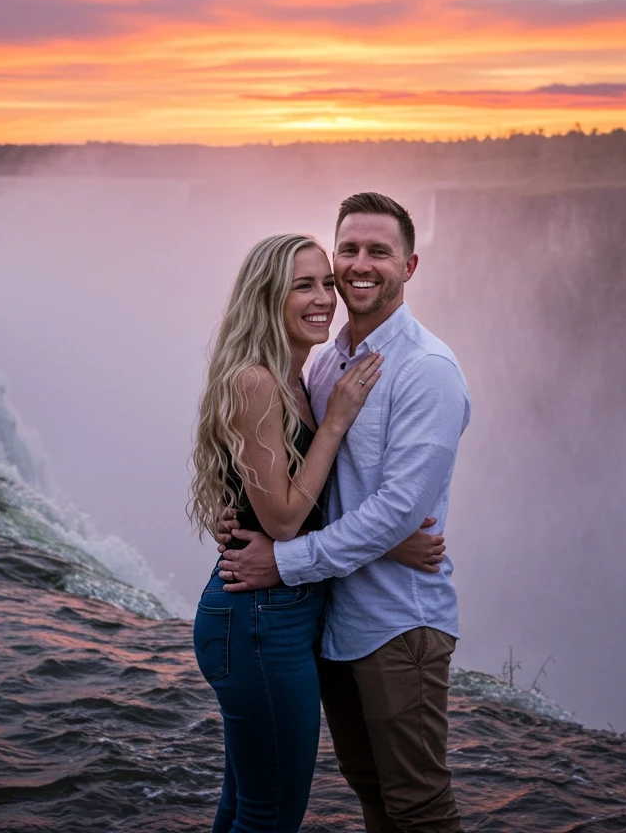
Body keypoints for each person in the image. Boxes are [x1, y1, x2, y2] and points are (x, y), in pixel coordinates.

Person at [216, 193, 472, 833]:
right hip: (332, 626)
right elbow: (316, 485)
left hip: (397, 624)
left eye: (379, 251)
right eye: (348, 251)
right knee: (371, 794)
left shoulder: (427, 371)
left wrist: (284, 562)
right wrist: (239, 503)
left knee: (419, 805)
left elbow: (393, 511)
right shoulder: (327, 363)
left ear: (409, 266)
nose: (361, 266)